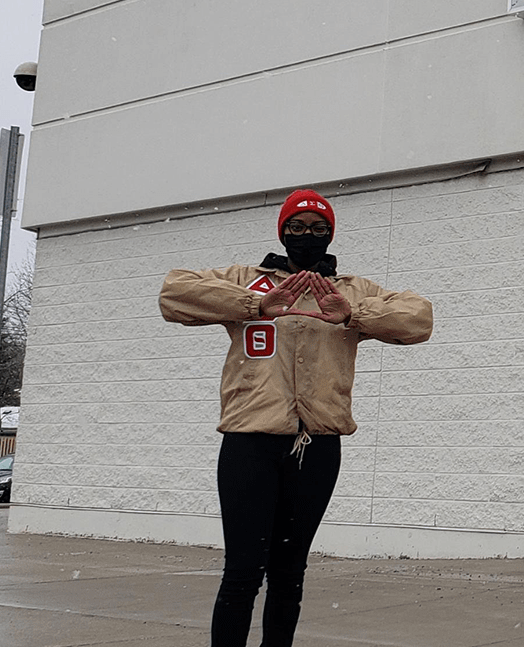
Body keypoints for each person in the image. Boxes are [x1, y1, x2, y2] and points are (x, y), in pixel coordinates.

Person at [160, 189, 433, 646]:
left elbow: (418, 319)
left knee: (290, 571)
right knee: (244, 569)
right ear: (282, 231)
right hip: (250, 442)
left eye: (318, 228)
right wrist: (255, 306)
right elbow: (174, 292)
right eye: (297, 227)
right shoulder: (248, 281)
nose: (308, 236)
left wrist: (353, 315)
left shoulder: (350, 290)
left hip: (318, 447)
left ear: (331, 234)